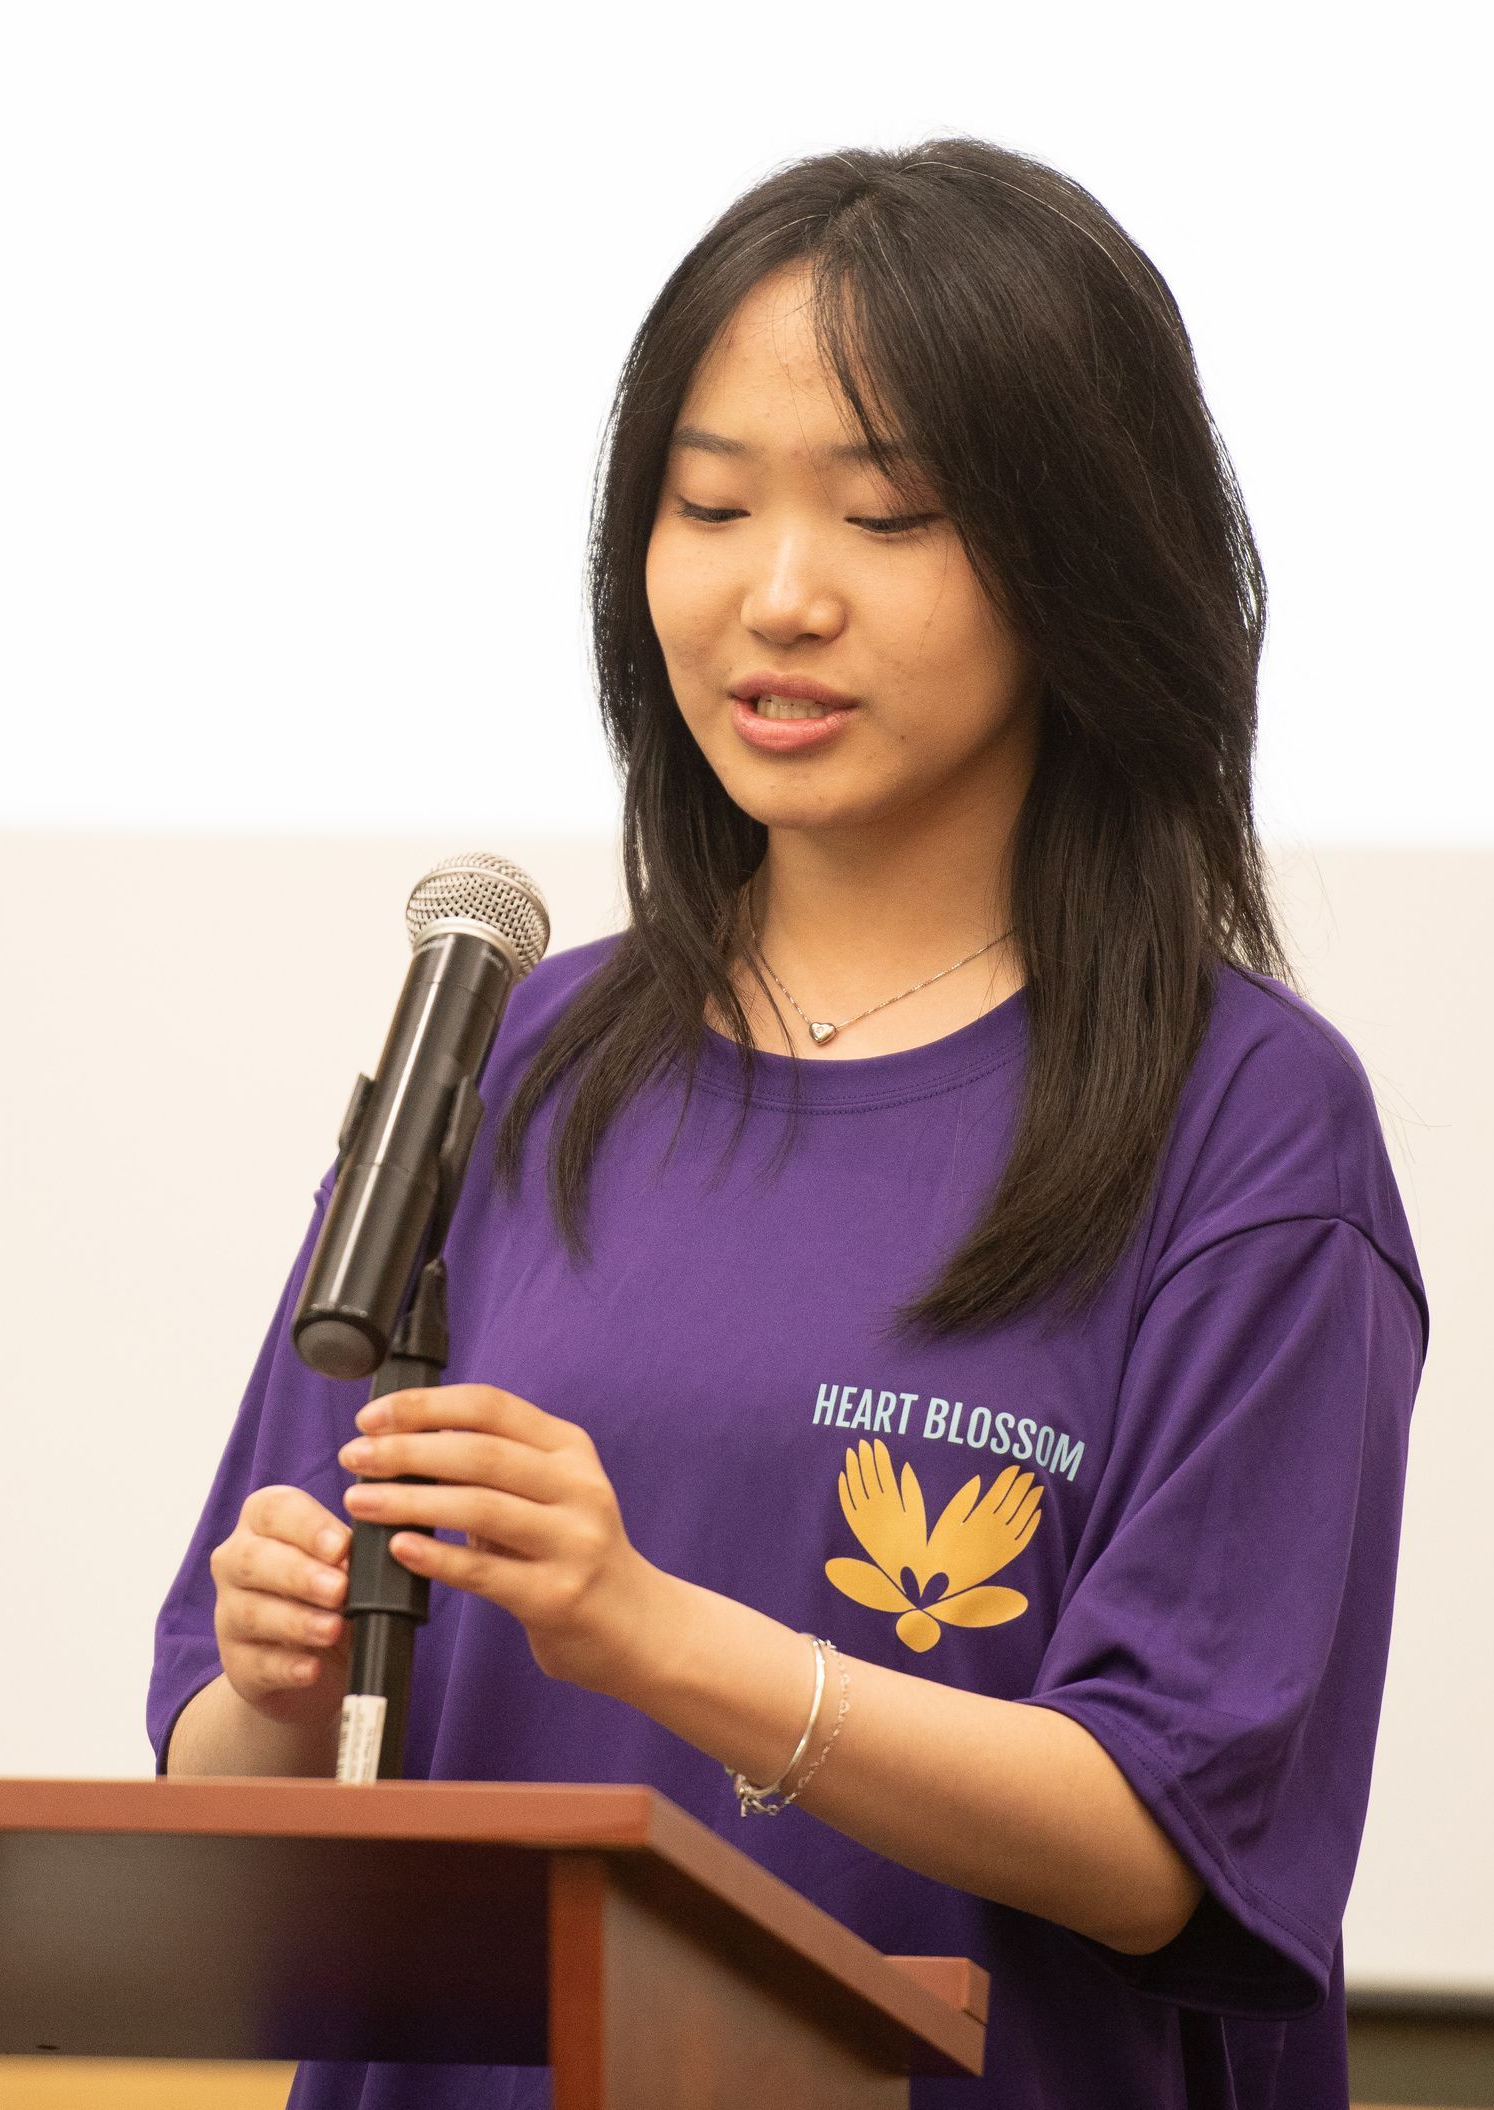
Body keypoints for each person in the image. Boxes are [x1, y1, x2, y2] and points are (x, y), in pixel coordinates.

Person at [148, 136, 1427, 2110]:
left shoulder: (1247, 1121)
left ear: (1086, 554)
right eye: (710, 504)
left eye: (892, 515)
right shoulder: (509, 1061)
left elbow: (1166, 1836)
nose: (779, 594)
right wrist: (274, 1686)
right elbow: (223, 1783)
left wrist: (653, 1631)